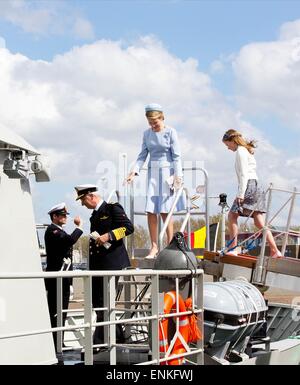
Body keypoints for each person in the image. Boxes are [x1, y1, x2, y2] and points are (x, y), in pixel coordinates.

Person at [75, 184, 134, 349]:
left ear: (91, 196)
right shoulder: (95, 215)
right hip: (99, 266)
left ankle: (100, 342)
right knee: (99, 302)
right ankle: (116, 338)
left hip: (111, 264)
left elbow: (128, 228)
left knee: (105, 302)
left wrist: (109, 235)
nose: (82, 205)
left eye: (83, 200)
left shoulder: (112, 209)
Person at [125, 103, 185, 259]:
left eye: (155, 122)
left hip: (168, 174)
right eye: (150, 122)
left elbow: (177, 156)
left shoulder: (171, 132)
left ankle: (171, 245)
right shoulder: (146, 134)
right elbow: (142, 155)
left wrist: (178, 176)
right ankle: (154, 247)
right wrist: (134, 171)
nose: (152, 125)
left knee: (166, 211)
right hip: (153, 175)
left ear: (161, 118)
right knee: (151, 211)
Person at [222, 129, 282, 258]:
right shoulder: (246, 150)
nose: (228, 148)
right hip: (255, 185)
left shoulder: (240, 152)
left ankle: (234, 248)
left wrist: (240, 194)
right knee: (259, 221)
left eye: (227, 145)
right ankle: (275, 250)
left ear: (233, 141)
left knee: (232, 216)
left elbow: (244, 174)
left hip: (248, 185)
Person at [44, 203, 83, 350]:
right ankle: (54, 343)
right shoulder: (52, 231)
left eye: (65, 215)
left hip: (64, 279)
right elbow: (69, 241)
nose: (65, 217)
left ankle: (59, 341)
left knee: (63, 311)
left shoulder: (59, 231)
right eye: (62, 215)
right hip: (56, 280)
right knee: (55, 311)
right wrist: (79, 227)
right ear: (55, 216)